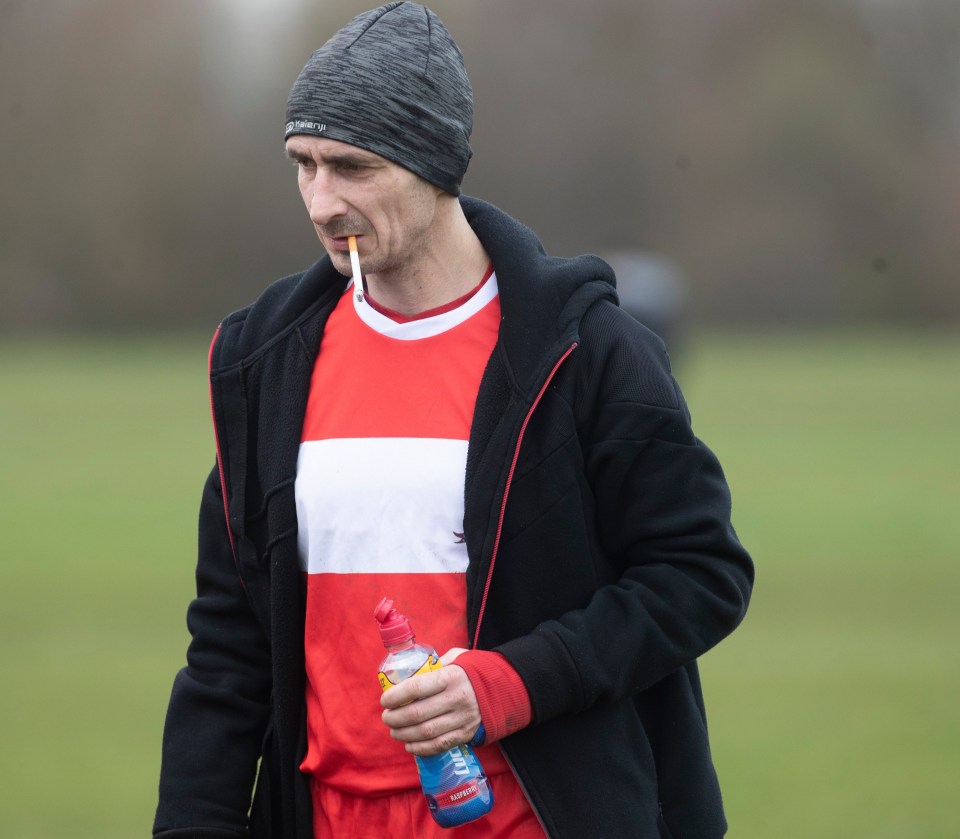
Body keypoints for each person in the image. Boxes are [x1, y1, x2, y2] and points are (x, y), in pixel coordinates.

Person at [153, 3, 754, 838]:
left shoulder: (587, 352)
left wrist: (505, 684)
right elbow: (228, 648)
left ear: (434, 166)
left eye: (352, 166)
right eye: (304, 164)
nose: (323, 201)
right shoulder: (262, 364)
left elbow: (698, 575)